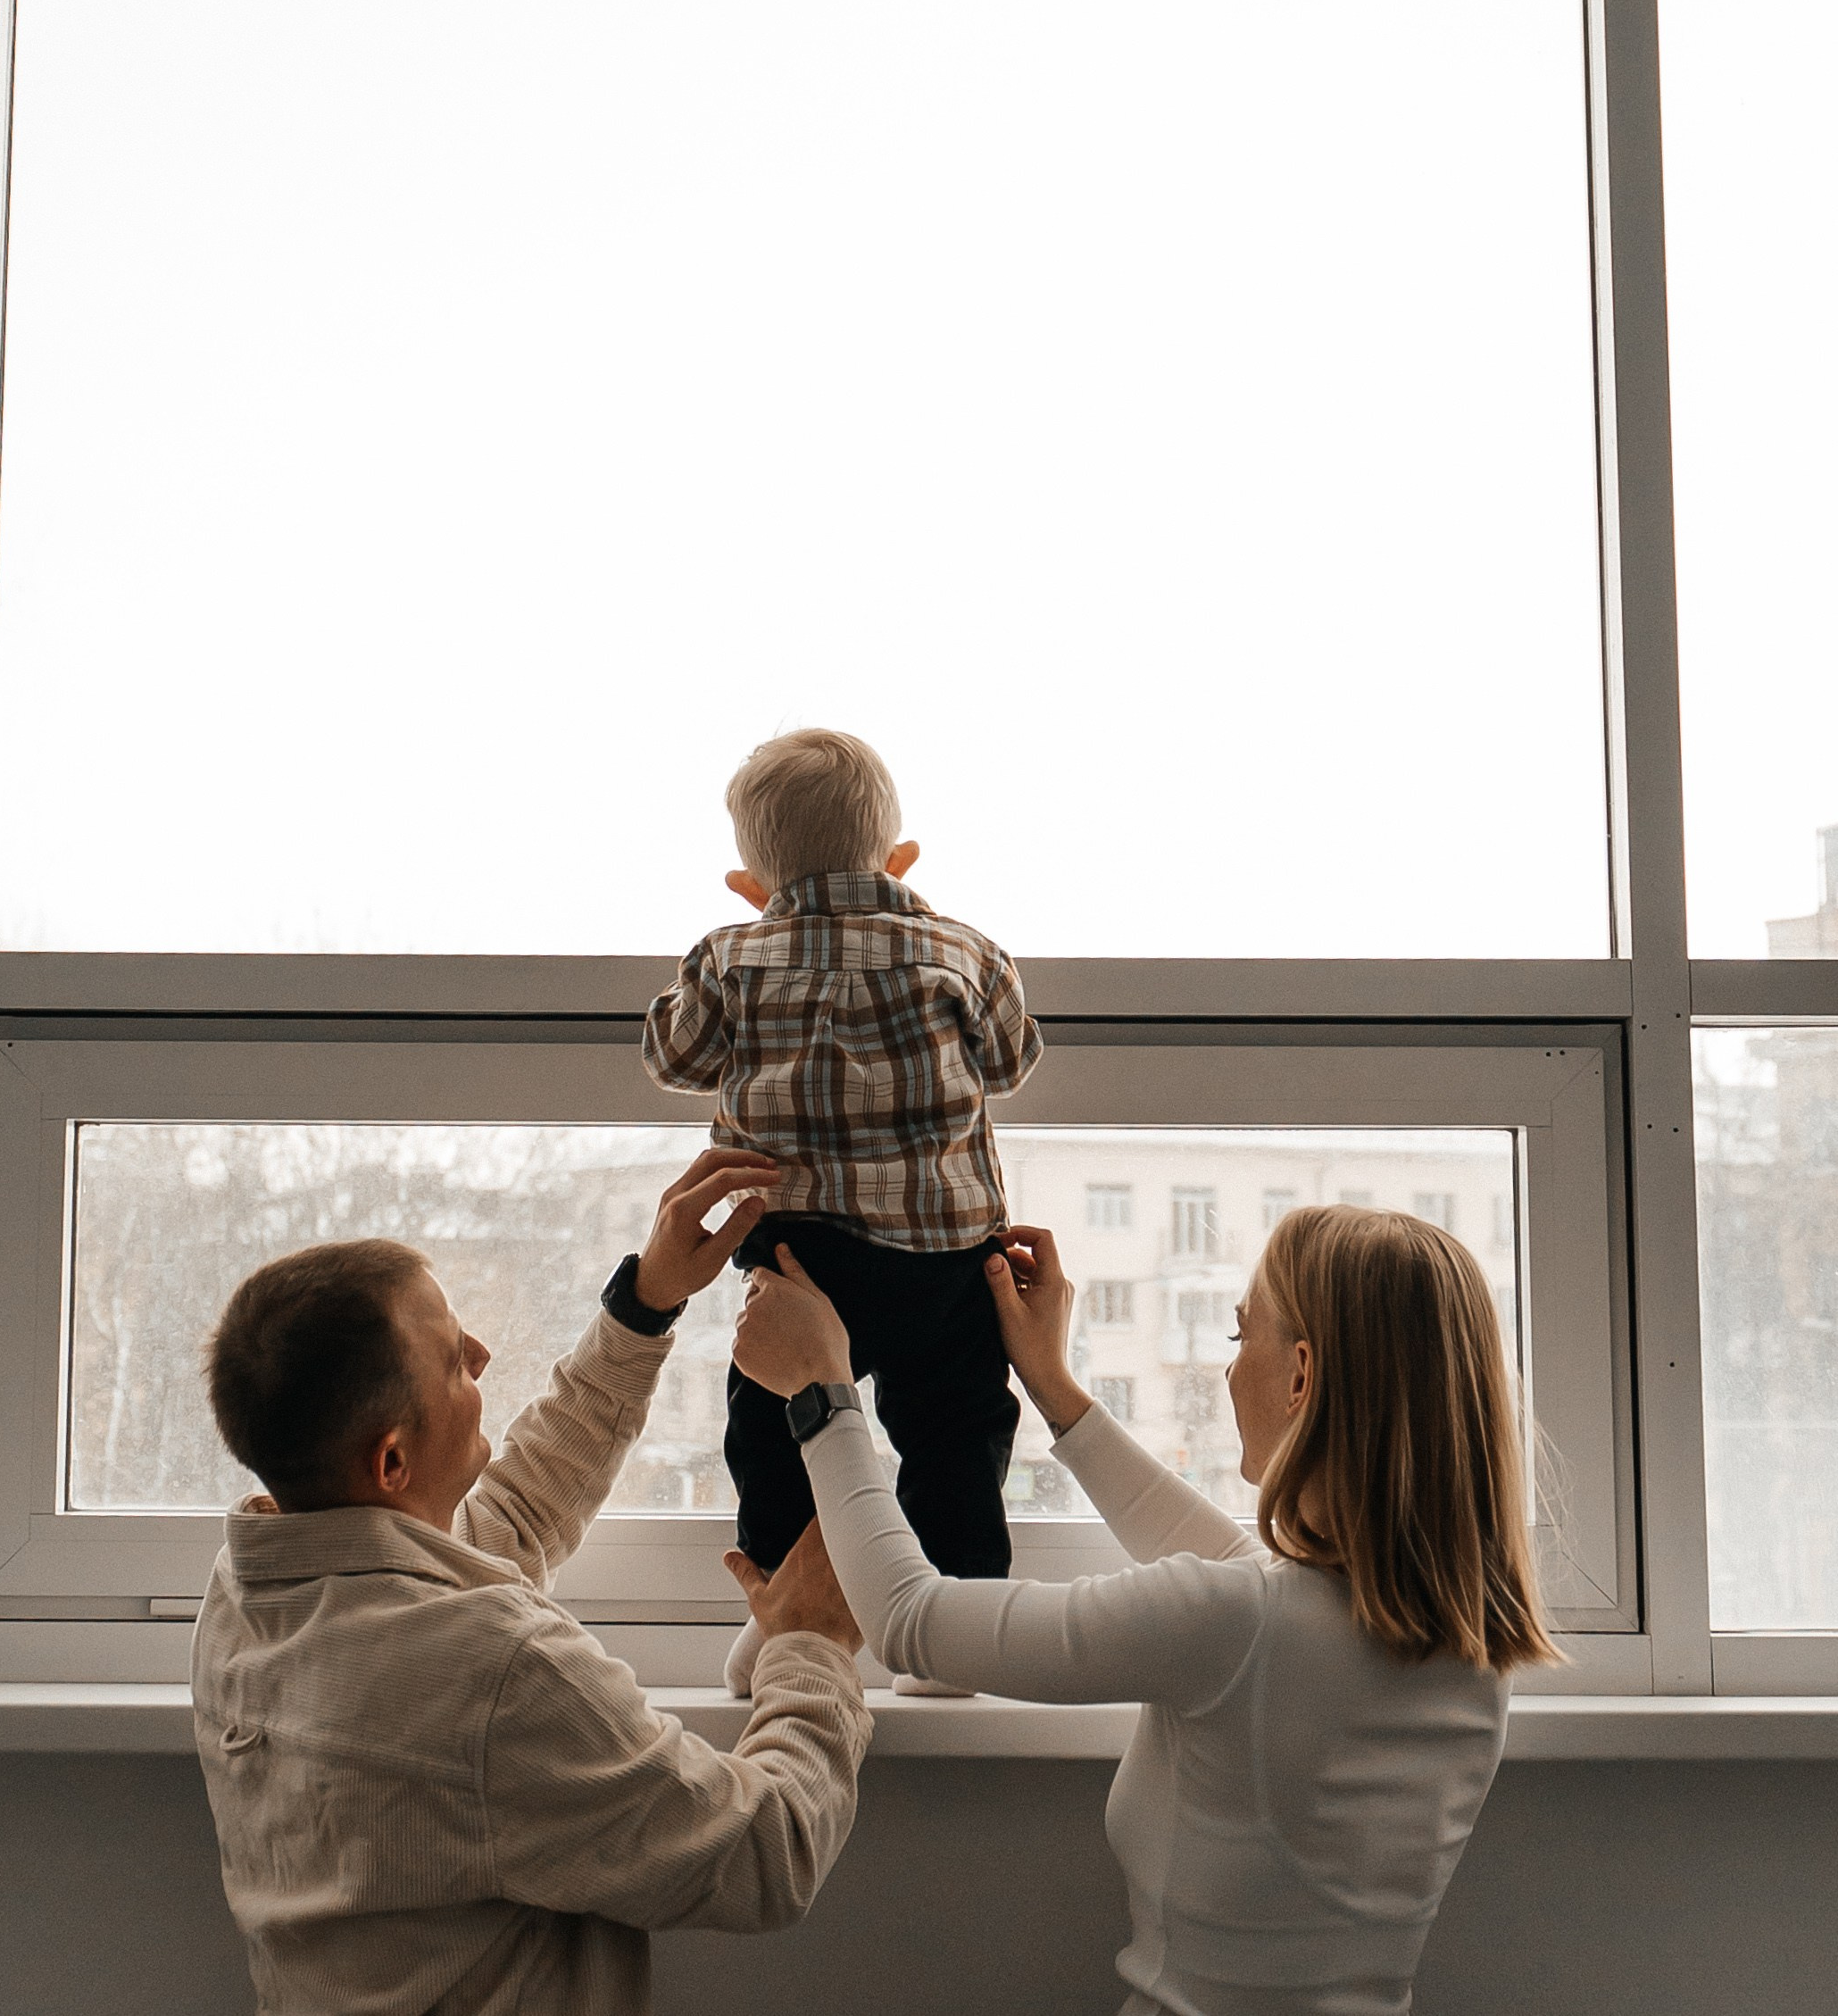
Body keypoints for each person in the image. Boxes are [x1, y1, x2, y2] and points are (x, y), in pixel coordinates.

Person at [736, 1200, 1561, 2016]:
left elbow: (910, 1622)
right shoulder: (1469, 1642)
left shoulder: (1244, 1624)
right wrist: (1053, 1386)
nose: (1228, 1369)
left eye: (1242, 1336)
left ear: (1302, 1374)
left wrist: (824, 1395)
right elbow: (1220, 1563)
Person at [191, 1145, 870, 2016]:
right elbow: (760, 1856)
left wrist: (645, 1303)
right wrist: (809, 1648)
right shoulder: (492, 1668)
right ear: (391, 1459)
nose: (479, 1350)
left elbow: (504, 1518)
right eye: (448, 1358)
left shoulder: (252, 1593)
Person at [642, 728, 1042, 1698]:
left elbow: (673, 1059)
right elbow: (1009, 1061)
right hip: (944, 1255)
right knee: (951, 1431)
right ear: (899, 861)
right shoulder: (966, 950)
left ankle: (783, 1610)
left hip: (800, 1254)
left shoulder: (729, 956)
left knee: (778, 1426)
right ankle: (957, 1629)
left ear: (749, 882)